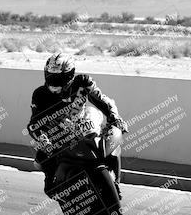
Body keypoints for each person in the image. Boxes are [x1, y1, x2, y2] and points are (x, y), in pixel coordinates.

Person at [27, 53, 128, 199]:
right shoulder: (40, 94)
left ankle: (114, 181)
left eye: (59, 78)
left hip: (84, 125)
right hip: (56, 135)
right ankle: (55, 183)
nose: (54, 81)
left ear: (70, 75)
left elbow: (103, 100)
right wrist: (43, 138)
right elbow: (34, 123)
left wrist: (115, 117)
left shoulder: (83, 82)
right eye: (51, 76)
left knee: (110, 136)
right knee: (42, 158)